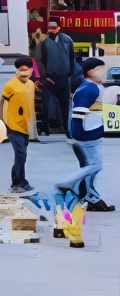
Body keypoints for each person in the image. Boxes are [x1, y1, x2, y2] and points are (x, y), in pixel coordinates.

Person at [57, 58, 116, 212]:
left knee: (90, 167)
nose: (103, 72)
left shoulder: (92, 87)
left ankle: (90, 197)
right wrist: (82, 134)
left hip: (88, 133)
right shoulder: (90, 88)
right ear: (89, 72)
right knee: (95, 165)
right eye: (99, 69)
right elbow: (78, 112)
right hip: (87, 134)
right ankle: (66, 184)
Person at [33, 20, 75, 137]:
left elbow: (71, 57)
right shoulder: (43, 42)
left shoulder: (67, 40)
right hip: (49, 77)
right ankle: (45, 128)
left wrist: (71, 73)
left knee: (66, 105)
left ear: (58, 28)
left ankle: (67, 129)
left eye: (54, 28)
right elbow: (38, 59)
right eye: (50, 28)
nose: (52, 30)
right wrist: (44, 76)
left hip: (64, 77)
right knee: (47, 104)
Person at [1, 56, 36, 194]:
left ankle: (15, 182)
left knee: (21, 155)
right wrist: (3, 124)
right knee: (20, 153)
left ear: (31, 70)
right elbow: (2, 104)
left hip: (25, 126)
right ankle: (21, 182)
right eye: (21, 70)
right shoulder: (10, 85)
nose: (24, 73)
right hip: (13, 125)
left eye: (26, 70)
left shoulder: (31, 84)